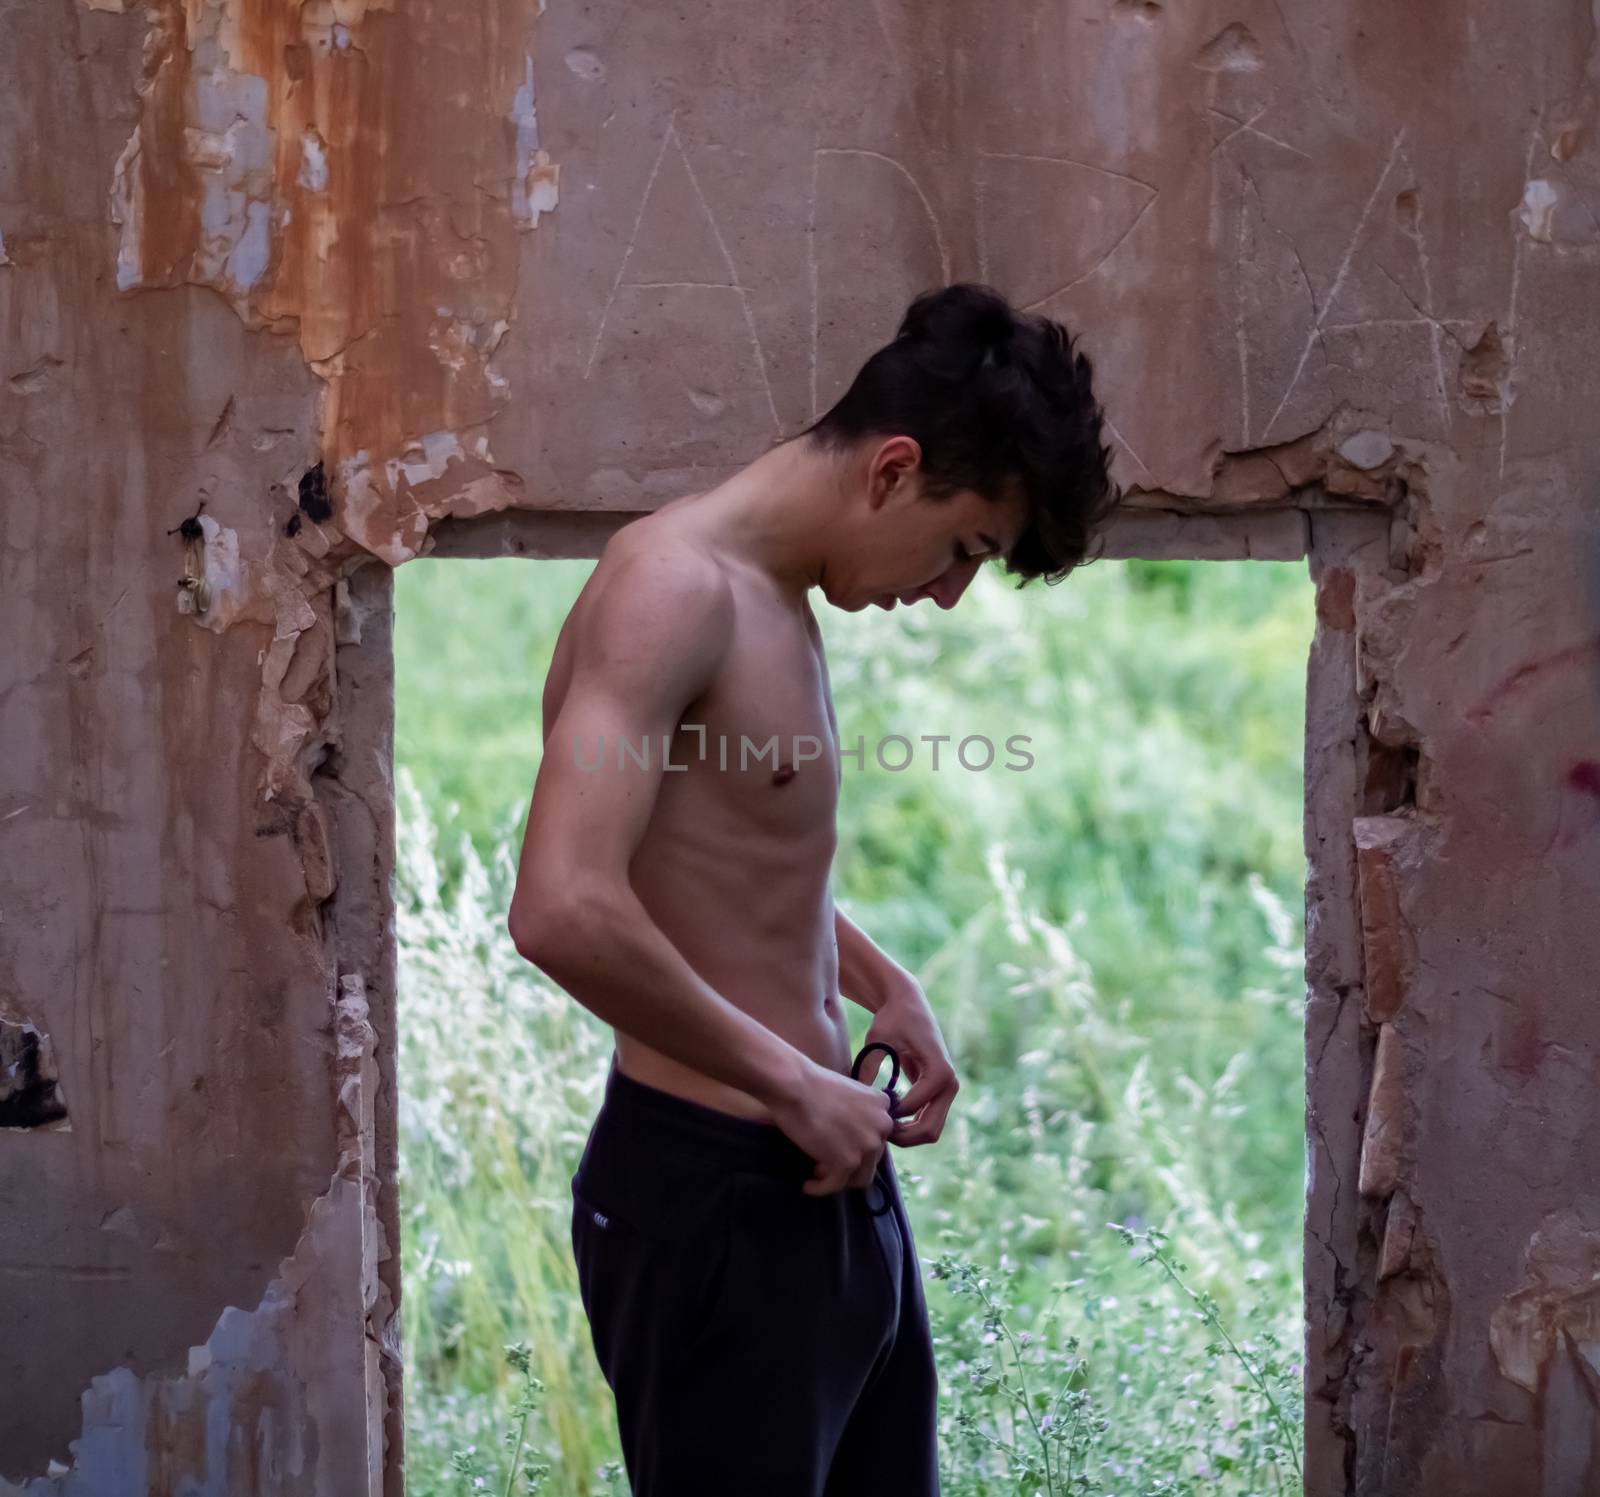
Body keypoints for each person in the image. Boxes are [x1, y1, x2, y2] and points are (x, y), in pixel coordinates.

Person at [507, 282, 1120, 1495]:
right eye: (964, 550)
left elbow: (720, 860)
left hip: (819, 1167)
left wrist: (883, 987)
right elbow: (563, 906)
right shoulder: (670, 589)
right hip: (713, 1188)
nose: (945, 594)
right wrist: (796, 1080)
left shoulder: (774, 594)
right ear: (893, 470)